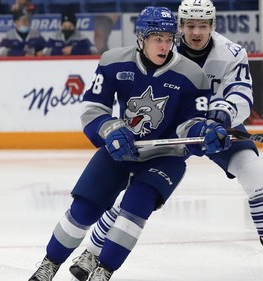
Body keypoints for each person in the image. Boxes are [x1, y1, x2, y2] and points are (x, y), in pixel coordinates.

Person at [68, 1, 263, 281]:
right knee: (135, 195)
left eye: (204, 25)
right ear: (179, 26)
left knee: (258, 174)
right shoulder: (163, 44)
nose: (197, 32)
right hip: (169, 129)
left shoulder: (231, 53)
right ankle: (93, 251)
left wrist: (225, 112)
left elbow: (241, 93)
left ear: (213, 26)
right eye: (191, 25)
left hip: (216, 128)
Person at [28, 6, 230, 281]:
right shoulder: (113, 62)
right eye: (157, 38)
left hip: (164, 156)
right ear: (141, 38)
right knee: (83, 209)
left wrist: (204, 132)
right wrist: (111, 130)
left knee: (135, 208)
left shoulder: (193, 75)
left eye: (169, 38)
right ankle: (49, 264)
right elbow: (92, 109)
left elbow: (190, 124)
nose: (165, 45)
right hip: (121, 147)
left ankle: (104, 270)